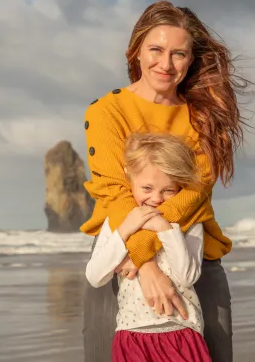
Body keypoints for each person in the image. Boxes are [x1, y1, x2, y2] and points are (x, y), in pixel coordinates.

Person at [81, 0, 249, 362]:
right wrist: (145, 265)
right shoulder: (106, 111)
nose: (166, 63)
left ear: (191, 60)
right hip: (118, 251)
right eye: (155, 49)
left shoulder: (203, 118)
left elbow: (194, 194)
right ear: (136, 51)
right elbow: (115, 192)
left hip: (190, 248)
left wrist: (146, 253)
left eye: (179, 54)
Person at [85, 132, 211, 362]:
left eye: (168, 190)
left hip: (181, 332)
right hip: (132, 335)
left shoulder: (189, 221)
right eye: (147, 188)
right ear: (129, 177)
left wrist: (164, 228)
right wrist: (125, 230)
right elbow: (95, 277)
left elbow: (187, 277)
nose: (156, 199)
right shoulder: (117, 222)